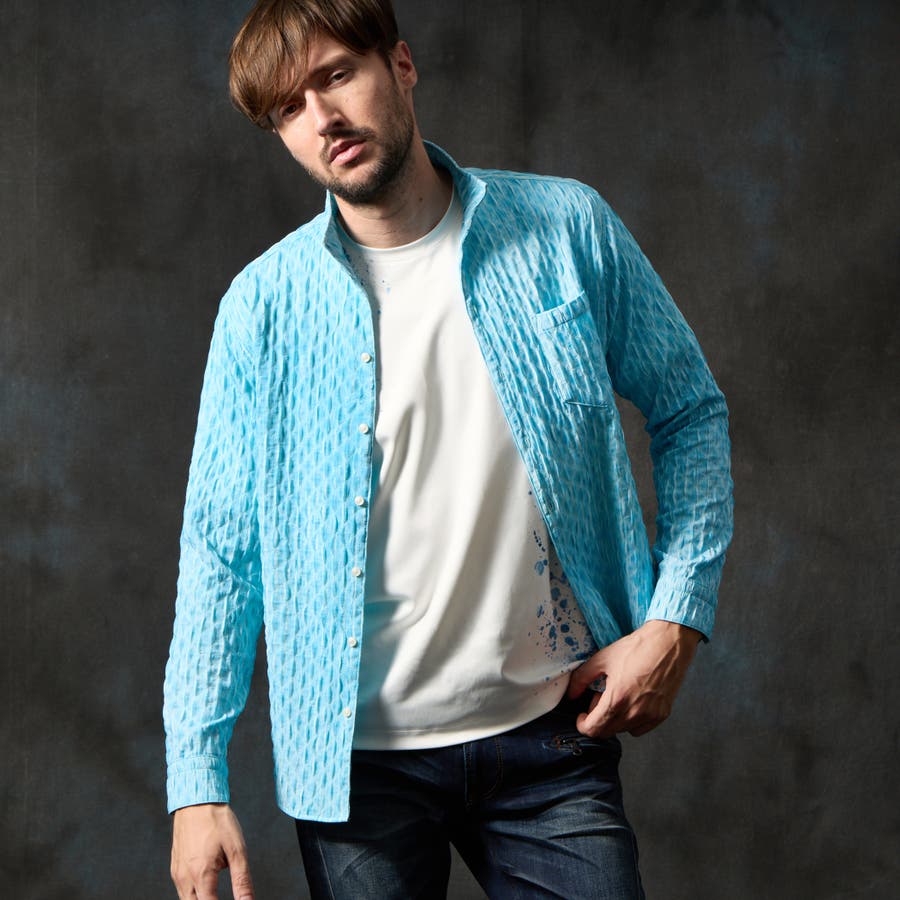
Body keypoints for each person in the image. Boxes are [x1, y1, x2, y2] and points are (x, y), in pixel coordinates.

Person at [163, 1, 733, 897]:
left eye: (337, 75)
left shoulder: (565, 227)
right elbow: (221, 553)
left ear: (401, 64)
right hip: (356, 773)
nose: (322, 118)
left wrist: (676, 620)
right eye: (288, 108)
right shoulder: (261, 310)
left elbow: (689, 410)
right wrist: (196, 784)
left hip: (551, 736)